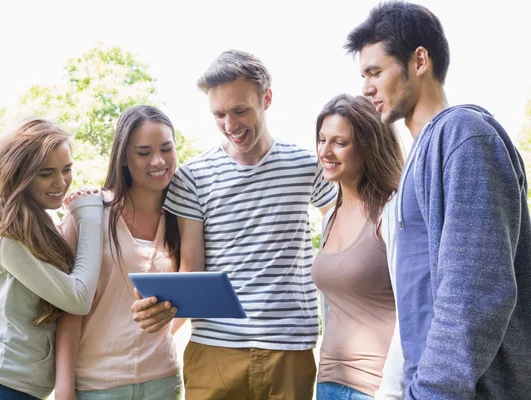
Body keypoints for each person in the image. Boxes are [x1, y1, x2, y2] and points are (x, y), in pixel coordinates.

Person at [345, 2, 531, 399]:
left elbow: (475, 292)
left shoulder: (464, 135)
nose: (366, 88)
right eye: (363, 75)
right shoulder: (420, 155)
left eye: (376, 72)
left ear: (420, 61)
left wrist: (431, 392)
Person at [131, 49, 337, 400]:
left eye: (240, 110)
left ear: (266, 98)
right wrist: (161, 307)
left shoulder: (307, 166)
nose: (230, 125)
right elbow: (192, 267)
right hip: (215, 349)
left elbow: (343, 228)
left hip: (290, 348)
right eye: (219, 114)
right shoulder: (193, 178)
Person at [0, 117, 104, 400]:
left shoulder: (39, 221)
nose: (61, 182)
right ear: (19, 173)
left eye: (67, 170)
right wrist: (90, 216)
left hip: (12, 388)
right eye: (46, 173)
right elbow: (77, 297)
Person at [54, 105, 183, 400]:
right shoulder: (89, 213)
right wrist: (64, 390)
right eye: (143, 152)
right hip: (97, 384)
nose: (158, 161)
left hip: (164, 380)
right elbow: (69, 308)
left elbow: (188, 291)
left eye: (166, 149)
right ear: (124, 158)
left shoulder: (184, 217)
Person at [312, 94, 404, 400]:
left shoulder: (392, 213)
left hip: (376, 388)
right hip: (327, 382)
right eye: (322, 139)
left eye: (339, 142)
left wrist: (391, 392)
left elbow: (416, 309)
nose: (325, 151)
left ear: (368, 147)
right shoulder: (329, 218)